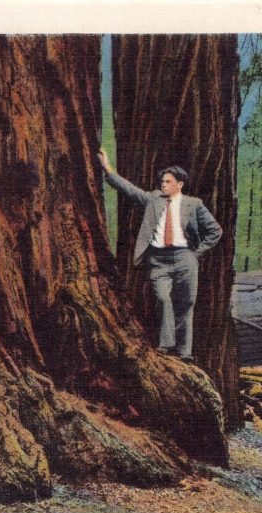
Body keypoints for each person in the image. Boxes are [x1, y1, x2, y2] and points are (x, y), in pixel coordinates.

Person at [97, 148, 222, 362]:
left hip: (185, 258)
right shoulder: (152, 199)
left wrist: (196, 254)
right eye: (162, 182)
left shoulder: (194, 204)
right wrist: (107, 169)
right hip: (158, 260)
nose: (163, 185)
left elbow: (215, 230)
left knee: (186, 304)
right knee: (163, 299)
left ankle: (184, 352)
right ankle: (166, 345)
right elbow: (130, 190)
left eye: (168, 182)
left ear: (180, 184)